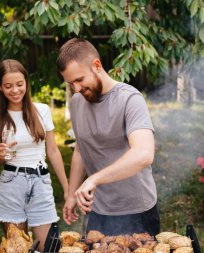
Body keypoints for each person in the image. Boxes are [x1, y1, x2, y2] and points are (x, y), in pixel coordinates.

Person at [57, 38, 160, 236]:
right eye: (71, 83)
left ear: (97, 66)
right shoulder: (77, 102)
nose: (76, 89)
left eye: (79, 80)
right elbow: (81, 149)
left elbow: (144, 154)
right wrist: (71, 195)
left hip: (137, 211)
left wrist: (94, 179)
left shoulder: (130, 99)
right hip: (97, 210)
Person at [0, 59, 68, 252]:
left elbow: (53, 150)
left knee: (50, 248)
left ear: (26, 83)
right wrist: (0, 154)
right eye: (8, 86)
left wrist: (67, 187)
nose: (14, 90)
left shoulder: (41, 110)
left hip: (40, 182)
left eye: (19, 84)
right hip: (11, 184)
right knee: (18, 248)